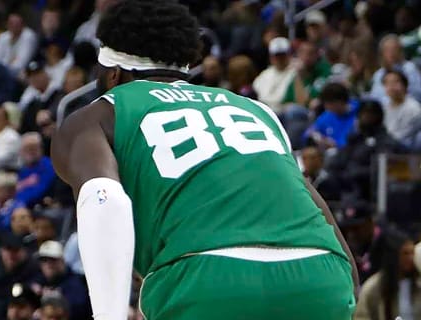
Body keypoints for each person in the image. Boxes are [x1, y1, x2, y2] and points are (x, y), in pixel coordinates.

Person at [50, 1, 357, 319]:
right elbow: (315, 206)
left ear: (112, 74)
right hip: (323, 275)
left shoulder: (96, 115)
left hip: (207, 278)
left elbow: (104, 198)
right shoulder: (256, 110)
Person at [355, 230, 421, 320]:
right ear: (394, 256)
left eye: (412, 253)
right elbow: (361, 316)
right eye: (405, 253)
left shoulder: (418, 283)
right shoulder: (373, 287)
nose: (410, 258)